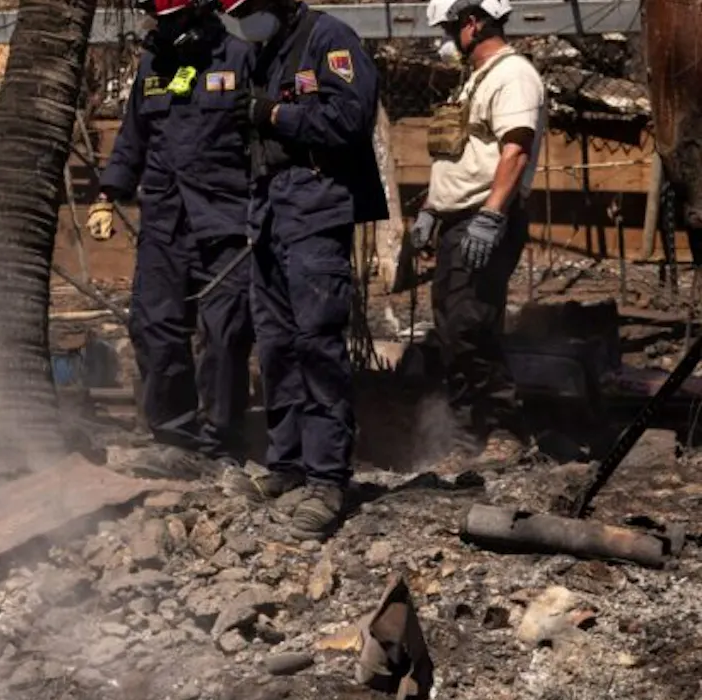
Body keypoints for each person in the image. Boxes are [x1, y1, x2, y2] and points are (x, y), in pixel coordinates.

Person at [219, 0, 387, 540]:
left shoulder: (329, 40)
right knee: (276, 345)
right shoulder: (264, 52)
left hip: (315, 210)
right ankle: (287, 466)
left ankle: (327, 480)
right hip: (270, 214)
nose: (242, 21)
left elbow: (350, 119)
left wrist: (274, 114)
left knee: (317, 345)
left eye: (246, 8)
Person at [93, 0, 257, 480]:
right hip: (165, 222)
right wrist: (108, 195)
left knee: (225, 335)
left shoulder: (241, 59)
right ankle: (173, 438)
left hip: (226, 222)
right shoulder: (153, 65)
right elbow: (133, 137)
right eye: (155, 17)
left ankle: (220, 442)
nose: (158, 25)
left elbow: (264, 141)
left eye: (168, 17)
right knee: (154, 326)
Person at [410, 0, 544, 468]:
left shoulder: (514, 75)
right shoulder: (475, 79)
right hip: (457, 222)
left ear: (472, 23)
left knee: (471, 326)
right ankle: (466, 440)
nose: (445, 38)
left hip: (484, 220)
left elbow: (516, 152)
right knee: (451, 331)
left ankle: (507, 432)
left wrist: (490, 216)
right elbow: (461, 158)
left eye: (449, 27)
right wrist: (430, 208)